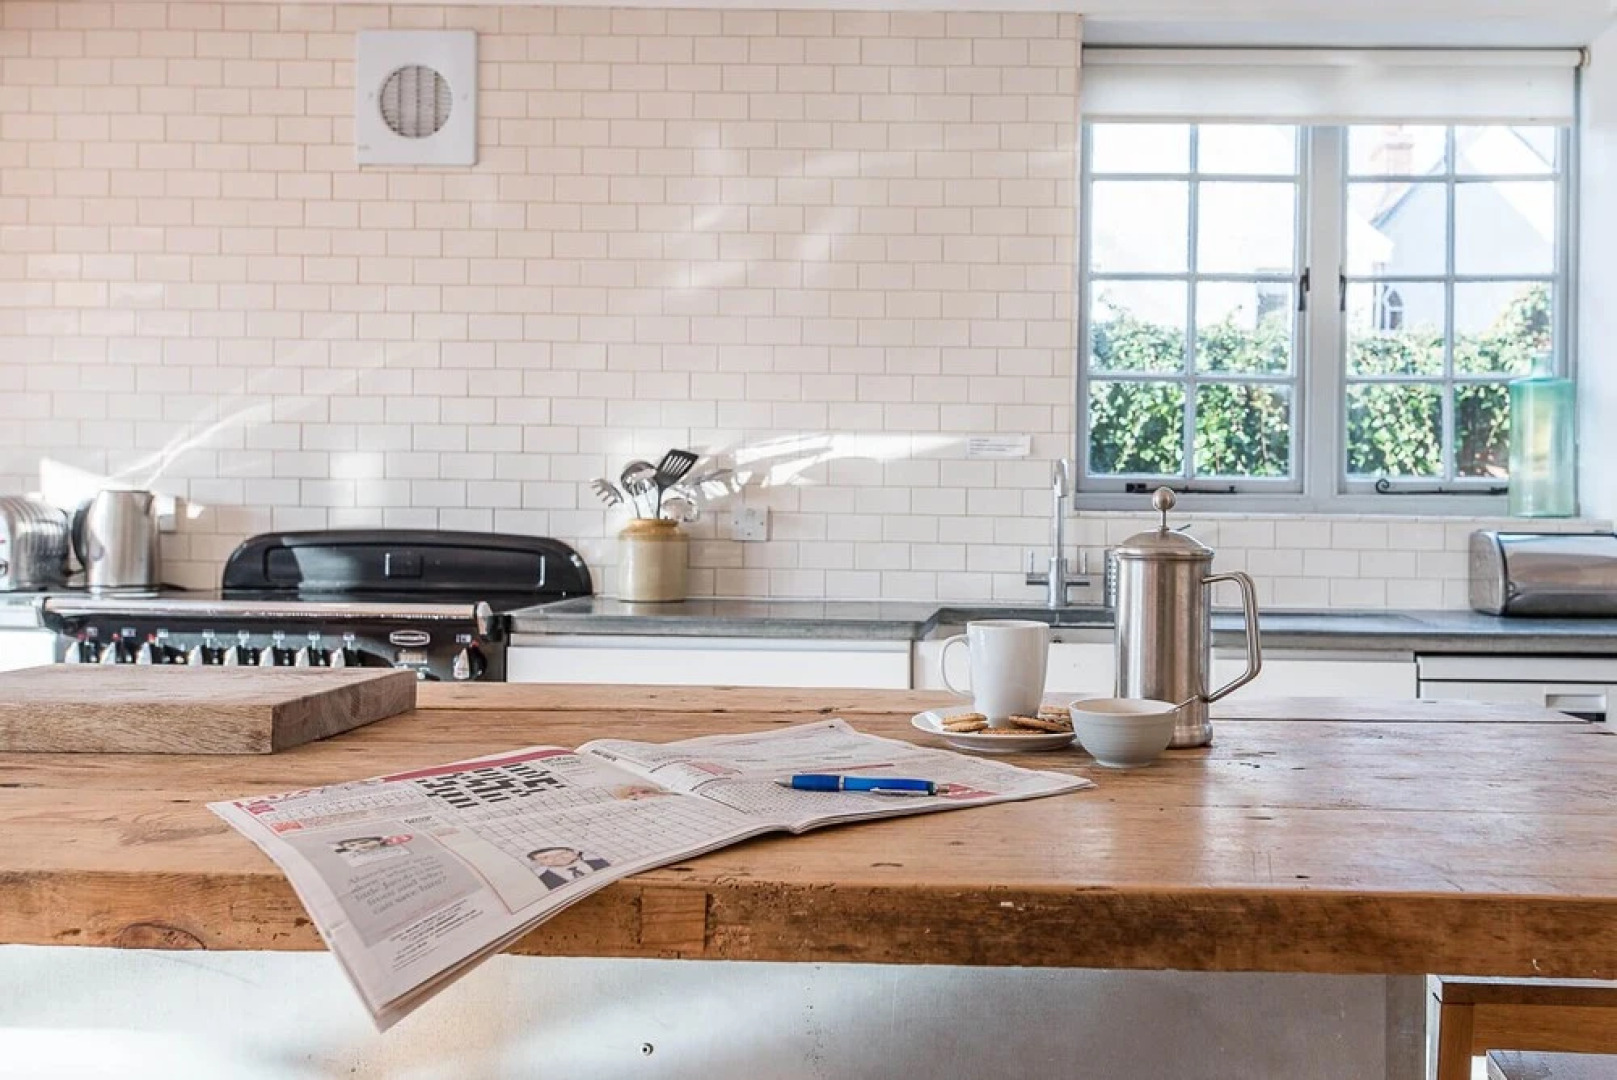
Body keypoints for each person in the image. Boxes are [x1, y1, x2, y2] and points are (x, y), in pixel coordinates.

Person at [525, 846, 609, 890]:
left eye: (563, 853)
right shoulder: (542, 880)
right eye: (546, 857)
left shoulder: (602, 861)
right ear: (537, 862)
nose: (557, 858)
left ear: (575, 852)